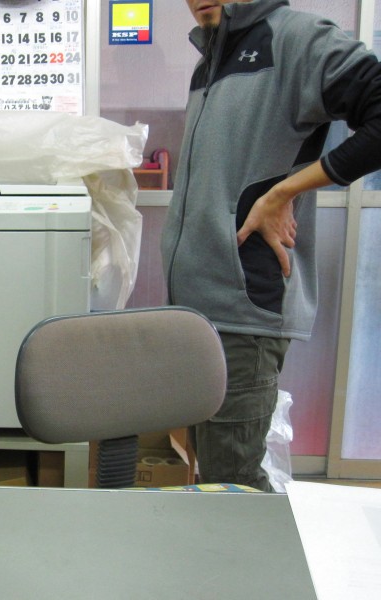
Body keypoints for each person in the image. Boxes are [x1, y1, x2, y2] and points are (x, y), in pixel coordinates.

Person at [162, 0, 381, 491]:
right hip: (195, 312)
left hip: (244, 310)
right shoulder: (210, 60)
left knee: (233, 483)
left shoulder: (295, 39)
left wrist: (284, 192)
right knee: (212, 476)